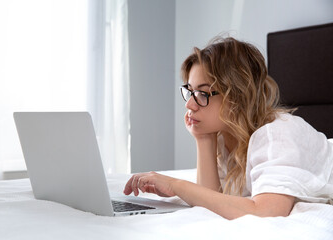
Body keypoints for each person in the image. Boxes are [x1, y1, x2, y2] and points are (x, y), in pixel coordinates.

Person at [123, 37, 333, 220]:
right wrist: (204, 139)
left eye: (203, 93)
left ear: (237, 97)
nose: (189, 104)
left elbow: (267, 212)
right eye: (190, 91)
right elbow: (209, 199)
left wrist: (176, 185)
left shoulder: (277, 135)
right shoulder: (226, 135)